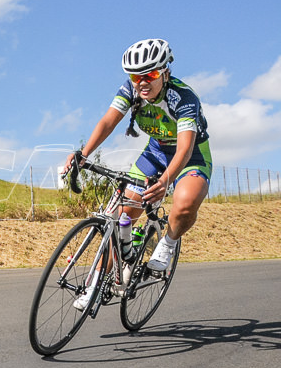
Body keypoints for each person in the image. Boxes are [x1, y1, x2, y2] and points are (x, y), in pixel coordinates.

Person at [65, 38, 211, 310]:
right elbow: (108, 121)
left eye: (151, 75)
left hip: (190, 156)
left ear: (165, 72)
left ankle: (167, 244)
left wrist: (167, 180)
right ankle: (95, 283)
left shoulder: (183, 98)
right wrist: (82, 155)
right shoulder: (131, 90)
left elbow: (185, 148)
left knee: (184, 203)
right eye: (135, 76)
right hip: (155, 153)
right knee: (122, 215)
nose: (142, 82)